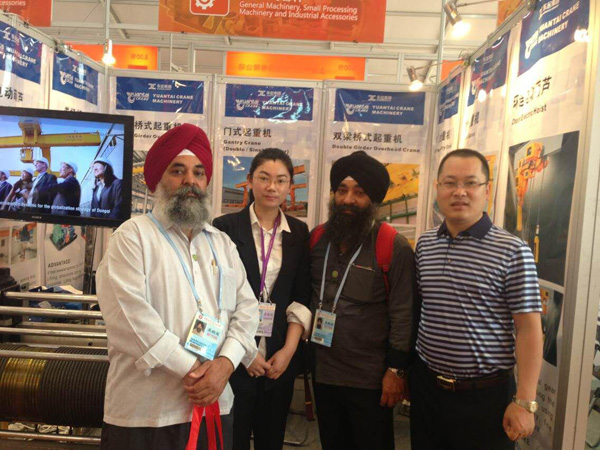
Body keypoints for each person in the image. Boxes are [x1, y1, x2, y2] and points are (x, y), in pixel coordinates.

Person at [96, 124, 259, 450]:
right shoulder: (133, 237)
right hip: (147, 414)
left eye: (199, 172)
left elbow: (246, 308)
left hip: (215, 404)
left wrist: (225, 364)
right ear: (158, 179)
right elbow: (131, 321)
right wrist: (196, 372)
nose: (190, 181)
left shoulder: (221, 243)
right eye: (178, 170)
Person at [410, 148, 543, 450]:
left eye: (470, 183)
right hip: (428, 390)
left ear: (487, 190)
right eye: (450, 183)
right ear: (437, 189)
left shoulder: (512, 251)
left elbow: (529, 328)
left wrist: (525, 401)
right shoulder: (426, 244)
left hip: (485, 397)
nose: (459, 192)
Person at [309, 151, 416, 450]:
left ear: (374, 199)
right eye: (342, 190)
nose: (348, 200)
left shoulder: (392, 245)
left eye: (359, 192)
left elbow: (404, 314)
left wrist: (396, 371)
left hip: (370, 379)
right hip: (324, 372)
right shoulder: (317, 239)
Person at [213, 148, 311, 450]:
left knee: (272, 440)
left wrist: (288, 352)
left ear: (289, 186)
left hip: (278, 357)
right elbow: (217, 297)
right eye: (264, 178)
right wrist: (245, 353)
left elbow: (301, 296)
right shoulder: (225, 228)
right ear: (250, 180)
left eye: (281, 180)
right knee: (234, 438)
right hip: (234, 358)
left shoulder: (298, 232)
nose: (272, 187)